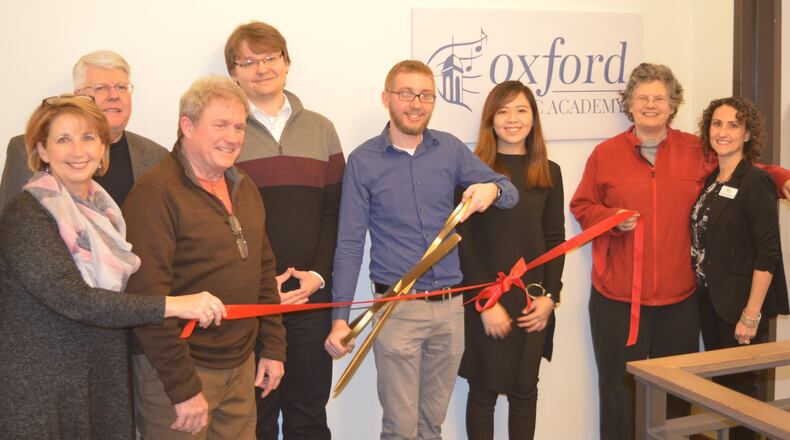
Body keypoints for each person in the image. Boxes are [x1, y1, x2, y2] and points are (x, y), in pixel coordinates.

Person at [570, 62, 790, 440]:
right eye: (643, 98)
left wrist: (781, 176)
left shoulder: (695, 149)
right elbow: (582, 207)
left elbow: (740, 169)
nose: (651, 105)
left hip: (680, 303)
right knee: (619, 397)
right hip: (619, 302)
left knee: (676, 402)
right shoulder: (605, 155)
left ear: (673, 105)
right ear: (629, 104)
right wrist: (609, 217)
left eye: (660, 98)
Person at [0, 95, 226, 440]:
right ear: (42, 151)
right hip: (43, 390)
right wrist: (176, 304)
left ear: (103, 147)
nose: (79, 150)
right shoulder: (27, 214)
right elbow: (76, 299)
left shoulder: (107, 215)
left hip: (100, 377)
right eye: (64, 139)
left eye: (89, 137)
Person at [324, 60, 518, 440]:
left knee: (432, 426)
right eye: (406, 94)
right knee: (400, 428)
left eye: (426, 95)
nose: (416, 103)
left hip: (449, 310)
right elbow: (348, 244)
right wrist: (339, 317)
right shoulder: (363, 161)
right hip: (396, 311)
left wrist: (491, 190)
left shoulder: (449, 149)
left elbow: (508, 192)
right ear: (387, 98)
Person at [123, 75, 286, 439]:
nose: (233, 137)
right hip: (179, 374)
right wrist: (183, 389)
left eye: (240, 127)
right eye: (221, 125)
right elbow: (147, 301)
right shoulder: (155, 194)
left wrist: (273, 347)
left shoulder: (244, 187)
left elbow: (263, 271)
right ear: (187, 126)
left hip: (240, 366)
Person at [224, 21, 345, 440]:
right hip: (253, 303)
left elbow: (336, 214)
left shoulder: (322, 129)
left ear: (287, 63)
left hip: (311, 298)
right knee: (254, 419)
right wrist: (259, 287)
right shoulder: (224, 133)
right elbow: (215, 219)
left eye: (269, 58)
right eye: (248, 61)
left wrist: (317, 275)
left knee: (308, 415)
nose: (261, 68)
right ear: (234, 73)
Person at [457, 81, 564, 440]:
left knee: (525, 392)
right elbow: (464, 240)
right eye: (503, 111)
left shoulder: (550, 171)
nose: (512, 119)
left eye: (521, 110)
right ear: (490, 120)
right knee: (483, 392)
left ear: (533, 118)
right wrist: (484, 302)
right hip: (486, 298)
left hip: (533, 300)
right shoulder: (472, 171)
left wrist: (550, 297)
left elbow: (555, 239)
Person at [690, 96, 789, 440]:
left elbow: (768, 253)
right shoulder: (713, 180)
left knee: (744, 403)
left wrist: (751, 314)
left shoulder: (755, 181)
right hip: (713, 304)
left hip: (741, 310)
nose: (723, 131)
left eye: (734, 124)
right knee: (724, 397)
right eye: (717, 123)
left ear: (747, 134)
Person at [0, 50, 167, 210]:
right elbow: (10, 228)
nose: (114, 95)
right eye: (100, 88)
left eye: (121, 87)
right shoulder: (26, 149)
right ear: (78, 97)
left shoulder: (156, 156)